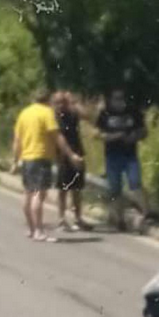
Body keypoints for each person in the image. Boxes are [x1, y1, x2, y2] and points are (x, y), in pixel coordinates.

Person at [11, 89, 83, 242]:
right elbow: (57, 136)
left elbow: (17, 140)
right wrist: (71, 155)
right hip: (41, 157)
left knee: (28, 194)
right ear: (48, 100)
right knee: (39, 195)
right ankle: (38, 231)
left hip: (27, 158)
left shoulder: (24, 113)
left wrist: (15, 160)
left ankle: (32, 229)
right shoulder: (47, 113)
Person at [96, 88, 150, 231]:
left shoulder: (133, 112)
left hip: (130, 155)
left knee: (135, 183)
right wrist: (116, 136)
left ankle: (145, 214)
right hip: (112, 156)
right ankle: (119, 219)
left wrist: (134, 136)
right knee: (115, 189)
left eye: (122, 98)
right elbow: (99, 134)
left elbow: (144, 131)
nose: (119, 102)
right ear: (111, 100)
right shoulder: (105, 114)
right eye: (116, 98)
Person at [52, 91, 92, 231]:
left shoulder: (72, 113)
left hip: (77, 152)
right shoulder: (54, 117)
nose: (61, 105)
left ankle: (78, 218)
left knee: (77, 189)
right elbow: (59, 138)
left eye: (63, 102)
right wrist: (71, 155)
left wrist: (74, 102)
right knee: (63, 189)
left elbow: (88, 116)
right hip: (63, 157)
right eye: (58, 102)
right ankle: (61, 219)